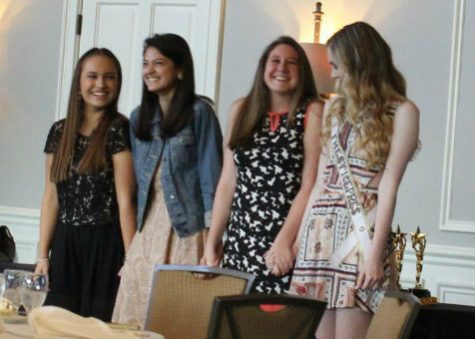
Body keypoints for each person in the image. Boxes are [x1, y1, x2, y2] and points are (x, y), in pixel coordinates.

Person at [289, 21, 420, 339]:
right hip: (319, 234)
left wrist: (375, 254)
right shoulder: (333, 108)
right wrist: (298, 240)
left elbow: (389, 184)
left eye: (336, 65)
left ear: (357, 60)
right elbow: (320, 181)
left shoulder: (402, 111)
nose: (332, 74)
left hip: (360, 234)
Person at [112, 33, 223, 327]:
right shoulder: (138, 118)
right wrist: (132, 248)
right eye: (146, 63)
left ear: (180, 69)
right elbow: (138, 187)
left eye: (159, 63)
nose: (149, 70)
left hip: (188, 230)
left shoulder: (200, 113)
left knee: (179, 321)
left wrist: (213, 244)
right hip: (148, 232)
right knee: (135, 319)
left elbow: (212, 181)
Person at [201, 36, 324, 294]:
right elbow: (227, 182)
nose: (282, 68)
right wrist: (213, 241)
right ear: (263, 67)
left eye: (292, 63)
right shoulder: (240, 110)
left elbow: (309, 185)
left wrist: (284, 242)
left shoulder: (312, 112)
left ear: (302, 73)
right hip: (240, 241)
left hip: (284, 245)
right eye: (275, 61)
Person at [36, 48, 136, 321]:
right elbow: (51, 198)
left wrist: (131, 261)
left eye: (110, 77)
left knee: (100, 327)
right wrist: (42, 255)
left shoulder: (120, 129)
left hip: (106, 247)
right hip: (65, 244)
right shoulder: (59, 131)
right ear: (79, 83)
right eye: (92, 76)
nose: (101, 84)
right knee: (56, 325)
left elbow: (126, 200)